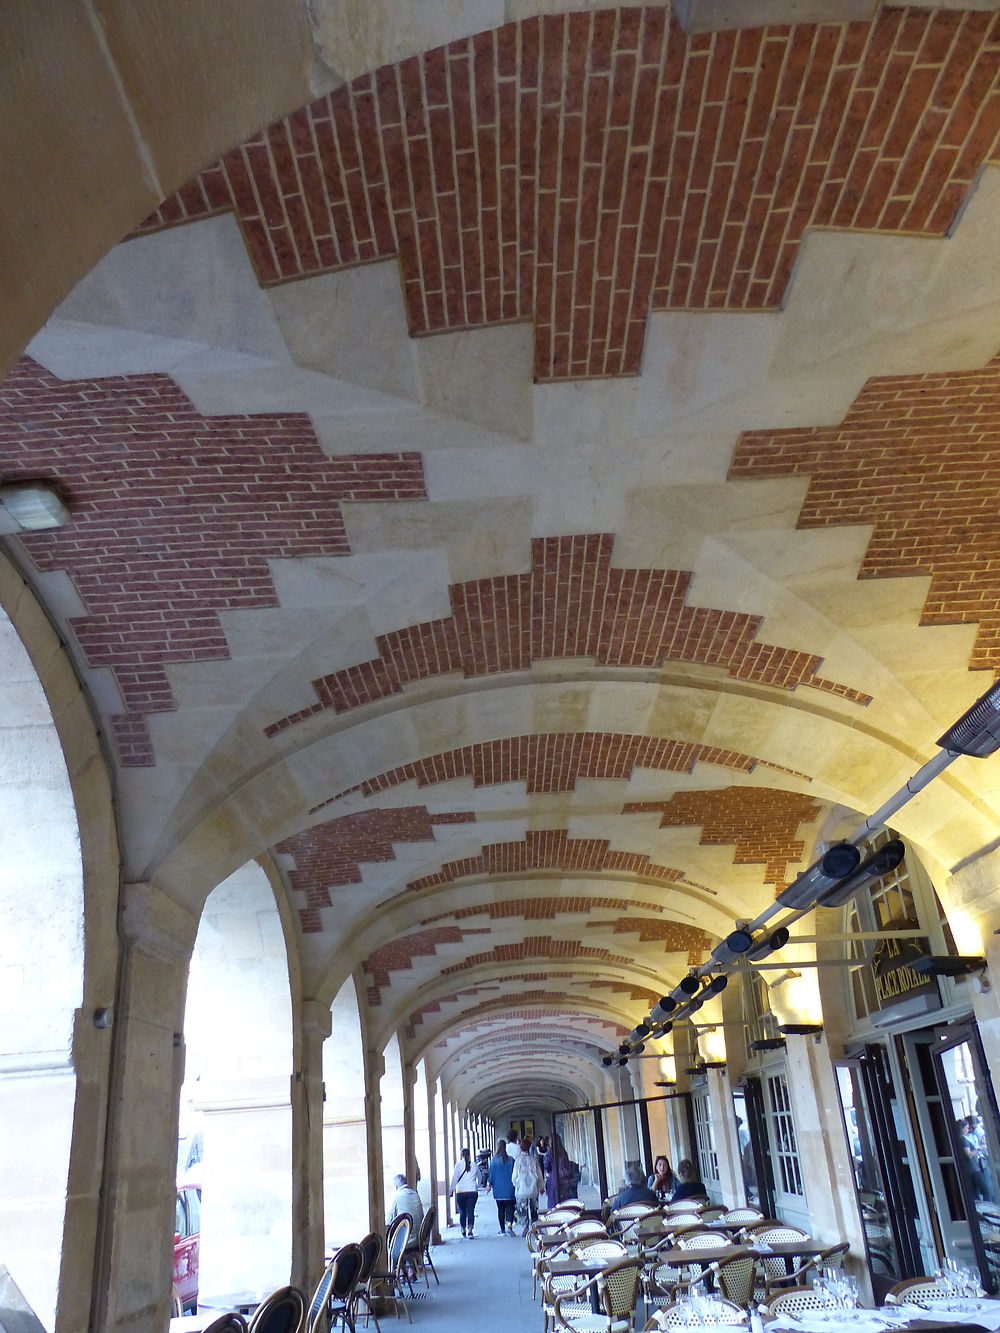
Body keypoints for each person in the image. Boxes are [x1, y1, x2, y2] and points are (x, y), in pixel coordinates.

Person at [513, 1135, 543, 1235]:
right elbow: (539, 1174)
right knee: (534, 1208)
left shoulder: (517, 1160)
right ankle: (535, 1226)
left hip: (521, 1189)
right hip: (533, 1188)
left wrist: (516, 1185)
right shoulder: (533, 1159)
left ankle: (525, 1226)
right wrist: (541, 1187)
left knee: (522, 1209)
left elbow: (514, 1176)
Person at [487, 1138, 517, 1234]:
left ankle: (502, 1230)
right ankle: (509, 1225)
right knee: (510, 1208)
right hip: (510, 1189)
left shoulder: (494, 1161)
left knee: (500, 1210)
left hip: (498, 1190)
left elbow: (491, 1175)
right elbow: (515, 1174)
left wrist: (489, 1185)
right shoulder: (511, 1160)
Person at [450, 1146, 480, 1238]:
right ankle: (470, 1231)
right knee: (470, 1211)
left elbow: (454, 1179)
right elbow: (480, 1177)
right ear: (469, 1155)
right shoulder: (474, 1165)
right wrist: (476, 1186)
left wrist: (451, 1190)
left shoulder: (458, 1165)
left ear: (461, 1155)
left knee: (462, 1211)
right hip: (472, 1192)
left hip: (460, 1192)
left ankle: (463, 1229)